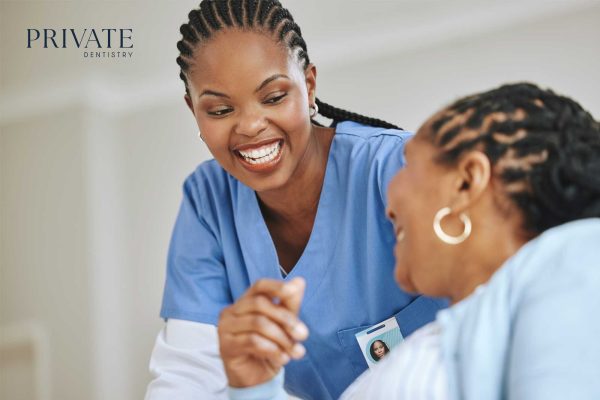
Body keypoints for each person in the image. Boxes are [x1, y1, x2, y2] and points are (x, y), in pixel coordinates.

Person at [144, 1, 446, 399]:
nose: (251, 126)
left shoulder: (398, 169)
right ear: (193, 110)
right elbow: (185, 381)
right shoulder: (208, 204)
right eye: (220, 109)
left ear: (309, 85)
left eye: (273, 97)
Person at [223, 82, 600, 400]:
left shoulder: (572, 262)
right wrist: (254, 387)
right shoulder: (445, 340)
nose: (389, 204)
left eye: (410, 164)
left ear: (466, 182)